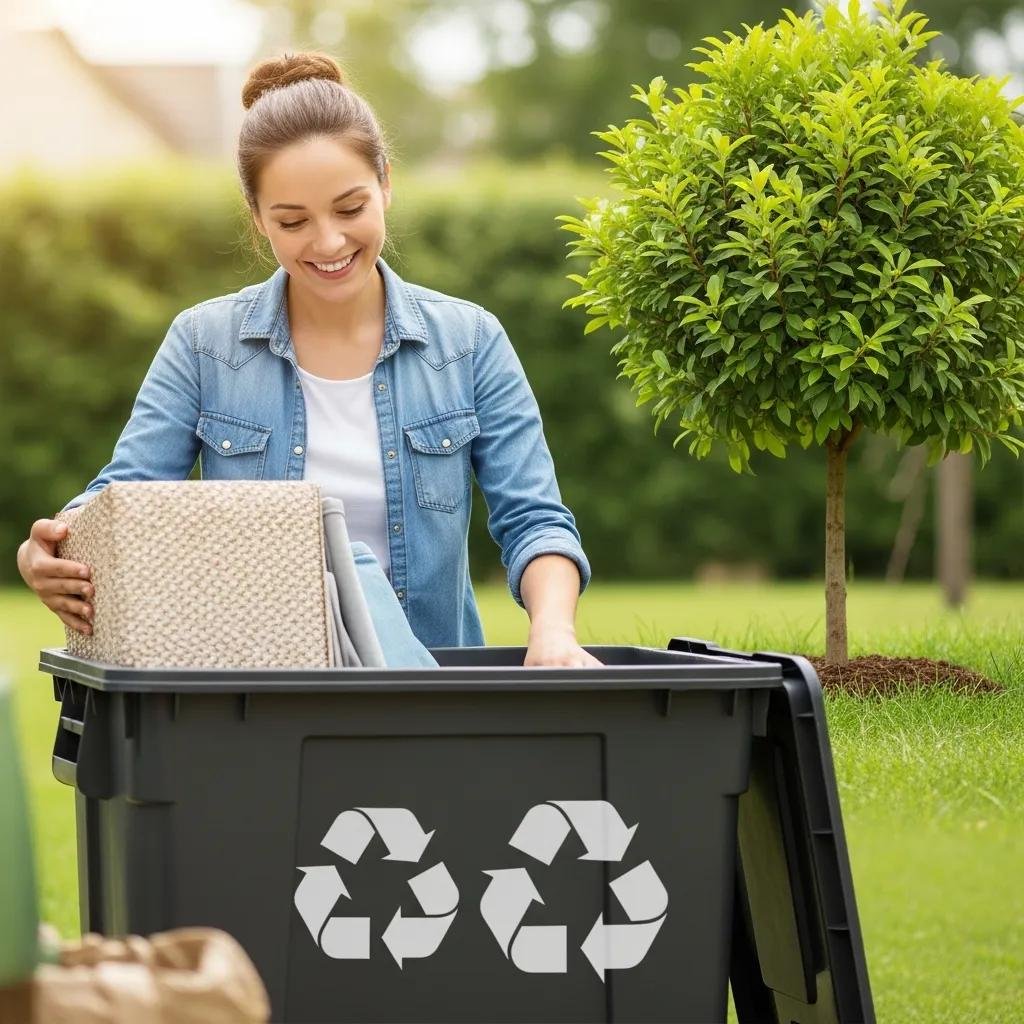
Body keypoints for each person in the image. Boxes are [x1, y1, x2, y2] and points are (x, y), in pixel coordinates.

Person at [16, 52, 599, 669]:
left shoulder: (470, 342)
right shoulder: (203, 344)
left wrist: (554, 632)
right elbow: (122, 495)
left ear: (386, 185)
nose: (328, 243)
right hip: (260, 698)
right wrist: (56, 544)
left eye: (350, 209)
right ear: (258, 220)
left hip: (429, 696)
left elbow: (535, 520)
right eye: (292, 221)